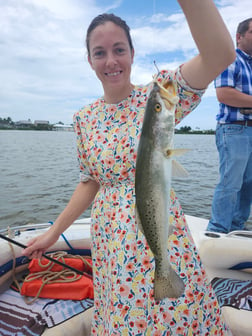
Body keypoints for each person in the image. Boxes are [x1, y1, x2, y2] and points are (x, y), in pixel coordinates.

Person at [22, 1, 235, 334]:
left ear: (133, 53)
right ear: (89, 59)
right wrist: (52, 234)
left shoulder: (160, 96)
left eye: (119, 49)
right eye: (99, 52)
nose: (111, 60)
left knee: (176, 317)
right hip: (110, 241)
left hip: (160, 231)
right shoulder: (83, 119)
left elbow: (220, 54)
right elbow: (89, 182)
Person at [207, 18, 252, 234]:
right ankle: (217, 231)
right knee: (230, 183)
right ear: (239, 36)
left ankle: (236, 229)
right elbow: (224, 93)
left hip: (249, 128)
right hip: (234, 128)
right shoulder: (229, 59)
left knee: (248, 185)